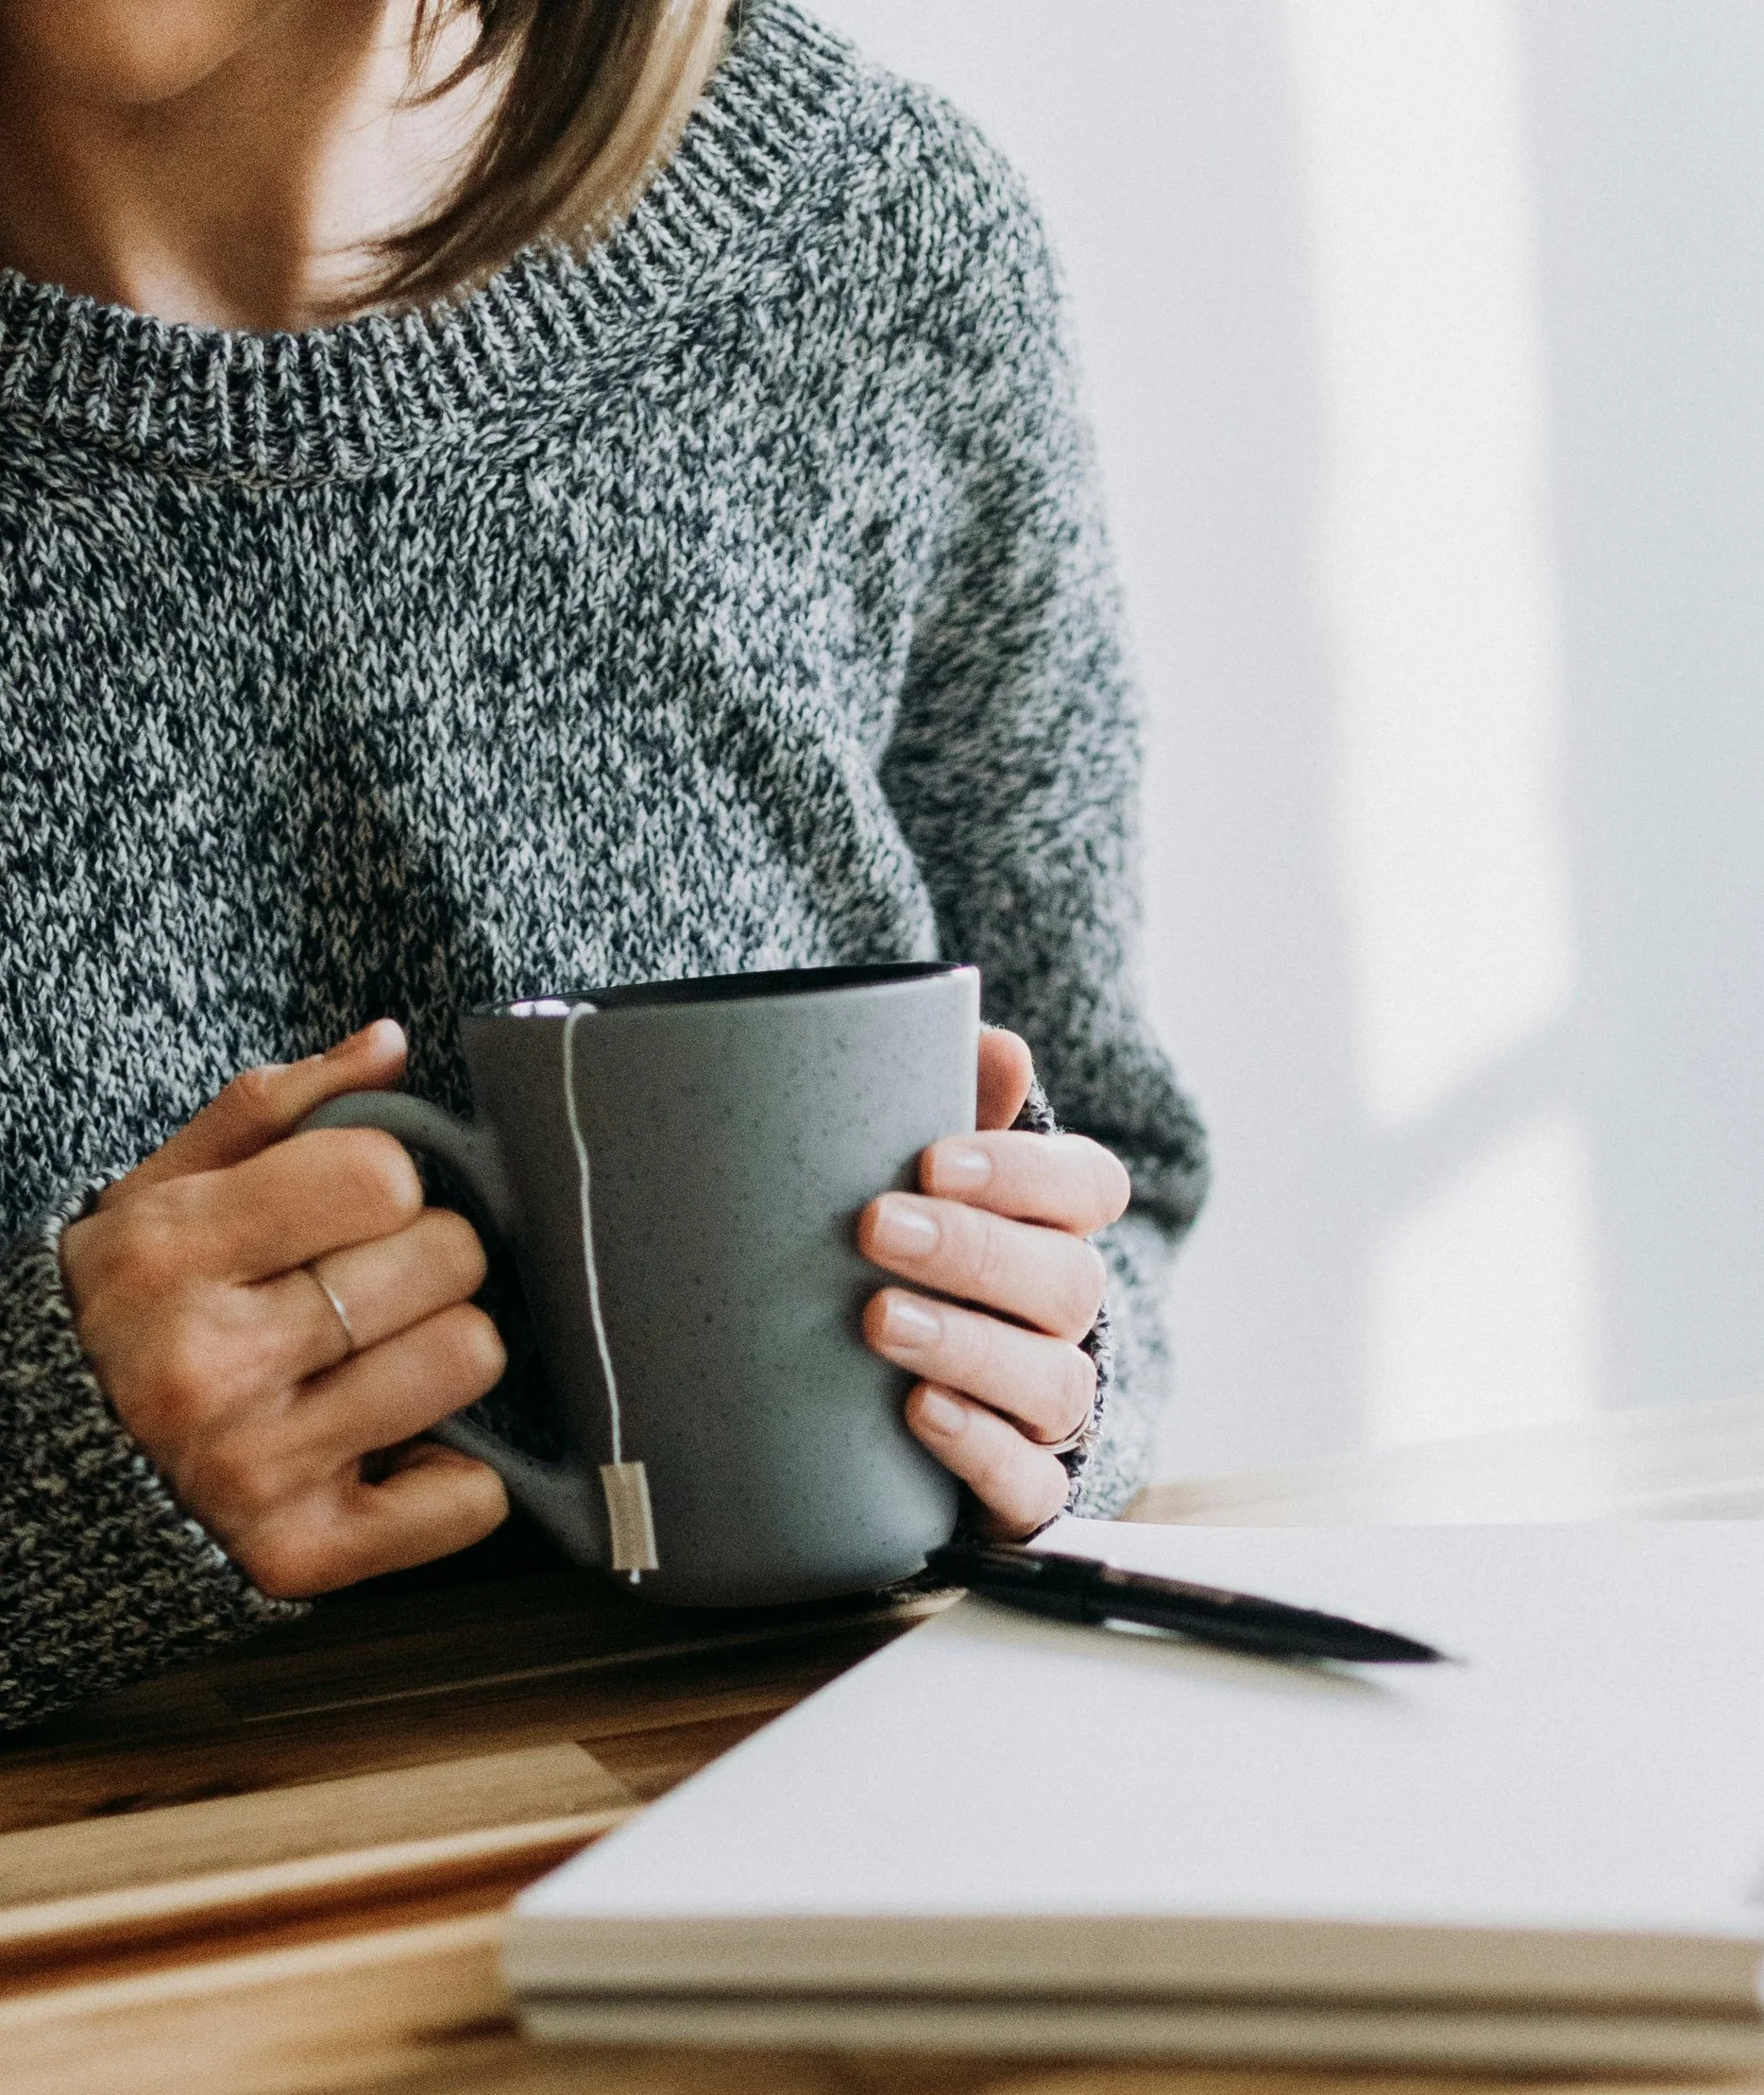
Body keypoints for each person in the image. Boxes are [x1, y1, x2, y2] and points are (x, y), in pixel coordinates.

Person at [0, 0, 1208, 1734]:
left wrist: (1044, 1393)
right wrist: (45, 1489)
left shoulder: (874, 253)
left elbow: (1117, 1179)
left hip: (816, 1873)